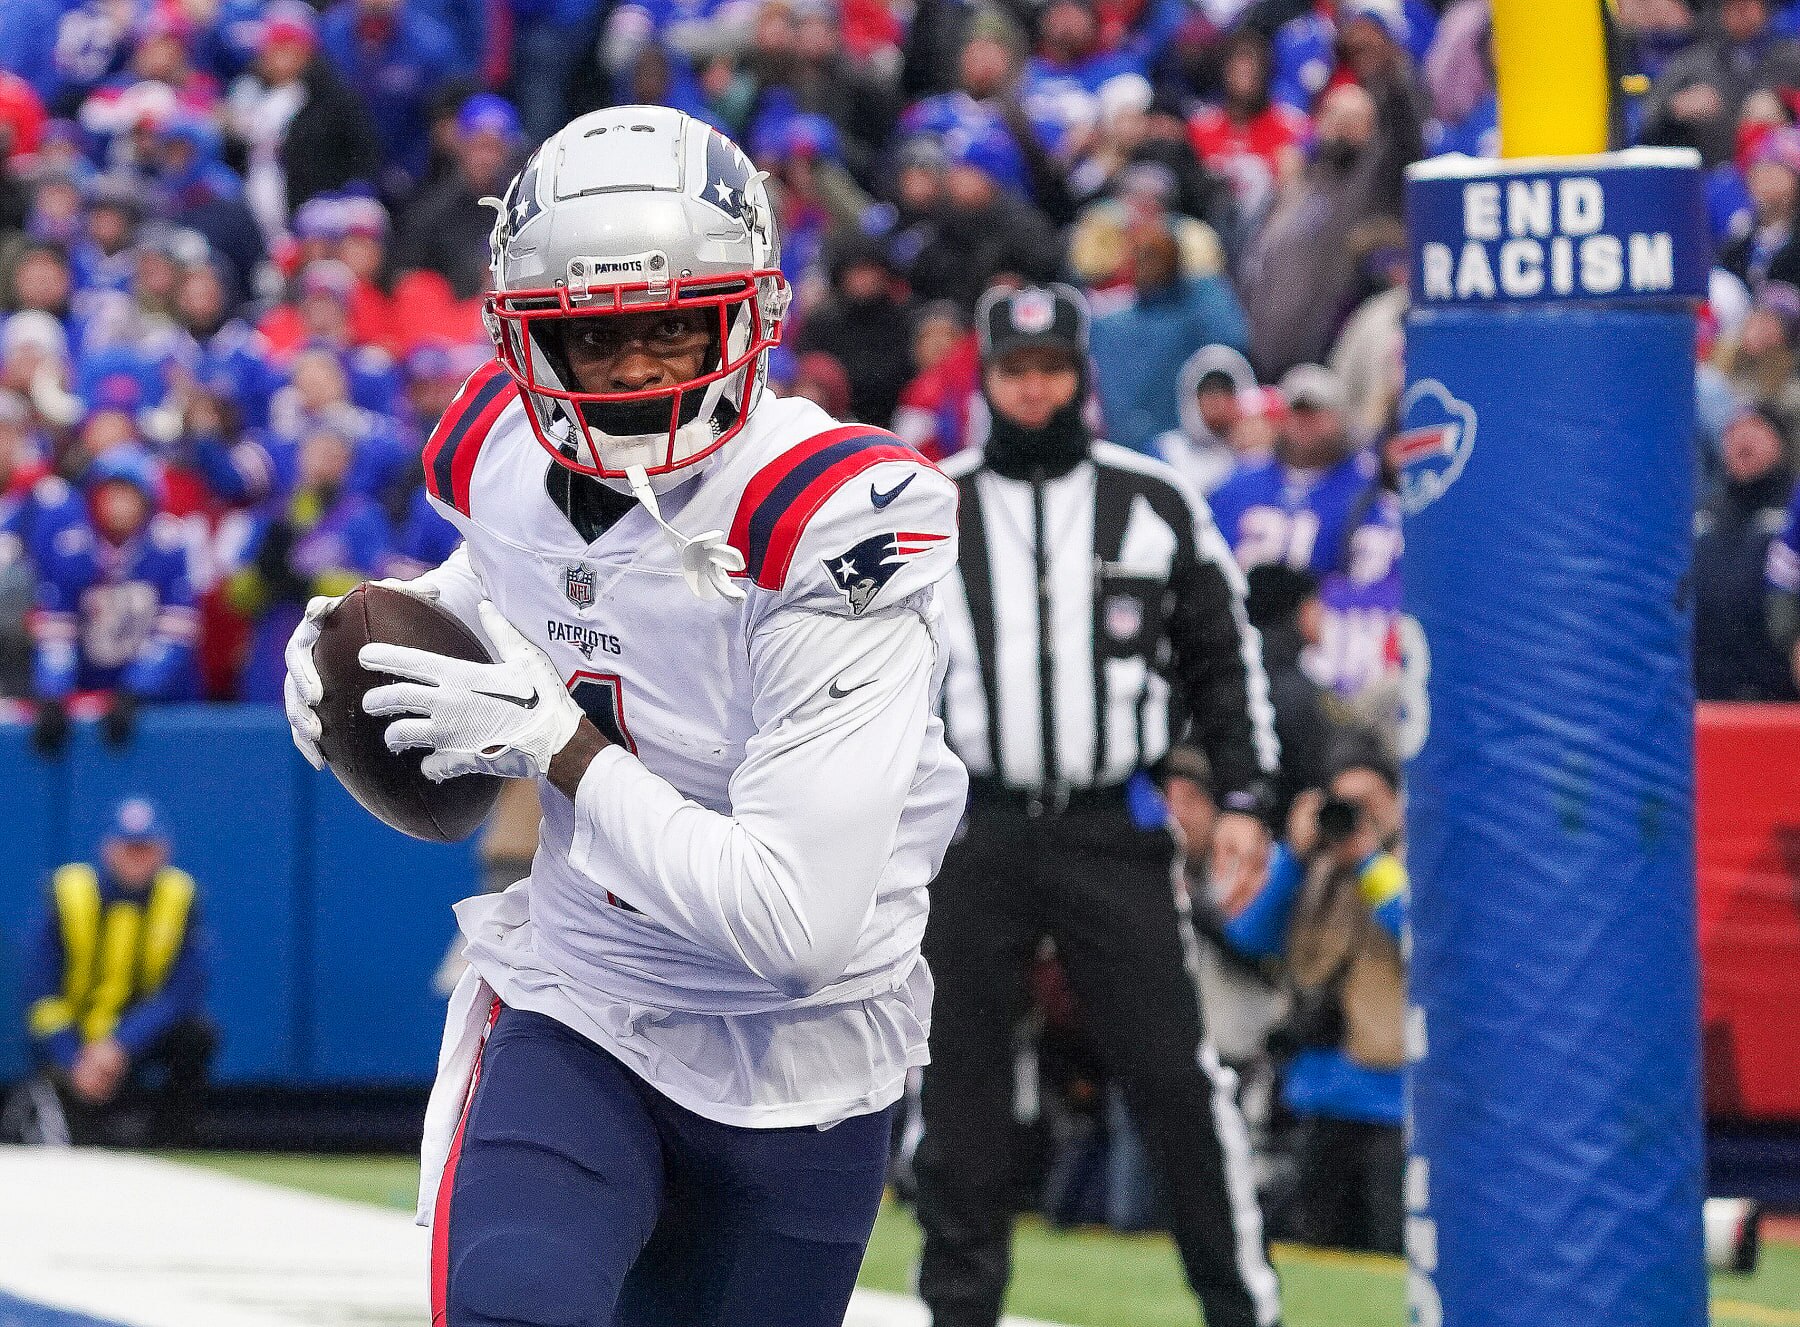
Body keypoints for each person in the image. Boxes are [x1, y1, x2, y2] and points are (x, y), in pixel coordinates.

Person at [281, 107, 965, 1327]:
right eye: (596, 340)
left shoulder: (828, 521)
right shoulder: (496, 450)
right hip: (582, 1000)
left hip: (802, 1049)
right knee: (515, 1306)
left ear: (751, 315)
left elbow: (791, 920)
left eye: (672, 328)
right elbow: (507, 576)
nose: (642, 369)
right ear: (525, 341)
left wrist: (560, 748)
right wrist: (370, 627)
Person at [916, 282, 1282, 1327]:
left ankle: (1242, 1309)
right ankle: (959, 1313)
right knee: (959, 1091)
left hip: (1105, 828)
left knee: (1175, 1078)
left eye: (1051, 372)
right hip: (972, 828)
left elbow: (1224, 655)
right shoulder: (930, 504)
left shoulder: (1155, 499)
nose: (1033, 391)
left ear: (1082, 377)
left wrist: (1245, 791)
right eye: (1014, 373)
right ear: (987, 381)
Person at [1223, 744, 1408, 1255]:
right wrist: (1292, 855)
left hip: (1390, 1099)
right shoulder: (1312, 869)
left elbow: (1420, 936)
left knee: (1386, 1254)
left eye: (1368, 801)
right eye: (1341, 801)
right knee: (1314, 1255)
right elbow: (1249, 935)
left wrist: (1368, 859)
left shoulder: (1406, 864)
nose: (1351, 815)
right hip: (1316, 1092)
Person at [21, 797, 216, 1147]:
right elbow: (40, 993)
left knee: (197, 1036)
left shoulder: (179, 896)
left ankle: (174, 1139)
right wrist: (73, 1057)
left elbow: (183, 992)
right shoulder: (69, 894)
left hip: (139, 1038)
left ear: (164, 850)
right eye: (129, 848)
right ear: (108, 849)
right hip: (76, 1038)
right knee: (76, 1143)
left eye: (146, 848)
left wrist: (121, 1045)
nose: (137, 858)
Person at [1695, 404, 1798, 701]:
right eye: (1734, 432)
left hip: (1780, 685)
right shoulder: (1704, 511)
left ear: (1779, 440)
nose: (1742, 440)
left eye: (1755, 429)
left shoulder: (1793, 507)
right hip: (1712, 687)